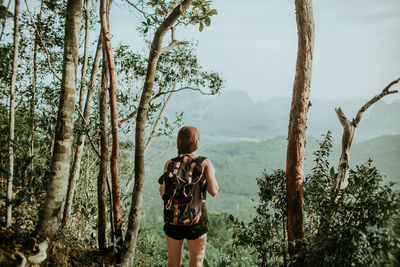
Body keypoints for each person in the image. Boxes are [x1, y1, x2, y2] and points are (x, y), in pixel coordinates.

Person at [159, 126, 218, 267]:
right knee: (196, 263)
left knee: (173, 263)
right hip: (196, 217)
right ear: (196, 141)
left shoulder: (170, 163)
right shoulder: (204, 163)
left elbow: (163, 192)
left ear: (179, 141)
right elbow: (213, 191)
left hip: (173, 217)